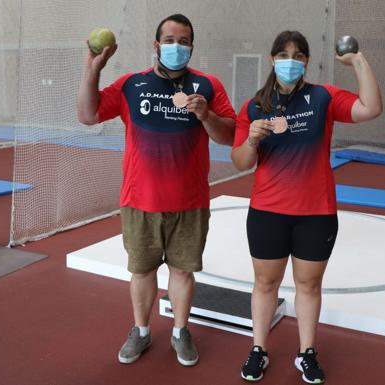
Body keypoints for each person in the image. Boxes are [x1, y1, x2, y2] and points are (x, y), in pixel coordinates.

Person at [77, 14, 236, 367]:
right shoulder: (132, 85)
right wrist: (93, 68)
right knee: (142, 271)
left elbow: (230, 136)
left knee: (182, 271)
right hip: (140, 201)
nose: (176, 47)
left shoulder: (208, 86)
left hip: (190, 201)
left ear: (192, 47)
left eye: (183, 41)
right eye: (169, 40)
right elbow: (87, 115)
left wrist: (206, 115)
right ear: (156, 45)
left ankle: (180, 331)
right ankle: (141, 331)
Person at [231, 30, 382, 383]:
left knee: (309, 285)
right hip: (268, 211)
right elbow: (240, 162)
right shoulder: (254, 106)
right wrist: (252, 139)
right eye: (284, 55)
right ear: (272, 60)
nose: (291, 61)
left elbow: (371, 108)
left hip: (316, 212)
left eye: (298, 55)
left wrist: (357, 60)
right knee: (265, 283)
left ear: (306, 62)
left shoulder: (322, 97)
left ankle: (306, 353)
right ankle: (259, 349)